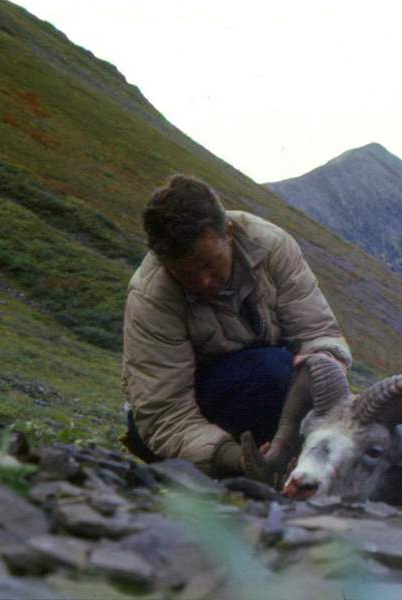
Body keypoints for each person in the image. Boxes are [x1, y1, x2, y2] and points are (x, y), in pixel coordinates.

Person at [120, 174, 352, 476]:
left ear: (228, 232)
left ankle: (290, 464)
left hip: (264, 388)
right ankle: (256, 468)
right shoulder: (151, 296)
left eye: (208, 263)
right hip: (178, 420)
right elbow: (164, 413)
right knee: (275, 370)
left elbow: (318, 333)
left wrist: (322, 366)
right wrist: (233, 458)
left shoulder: (272, 247)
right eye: (186, 274)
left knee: (298, 372)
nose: (202, 281)